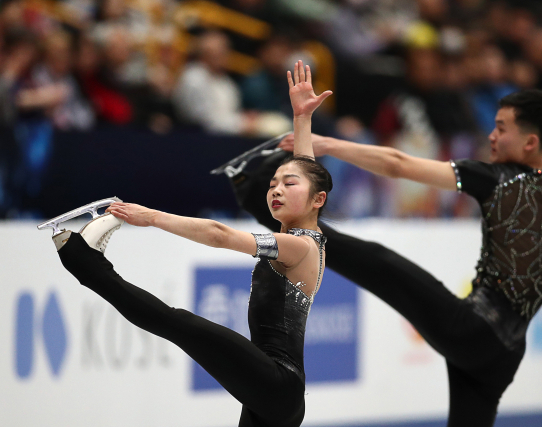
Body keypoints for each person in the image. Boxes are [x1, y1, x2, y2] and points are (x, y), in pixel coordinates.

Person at [228, 13, 542, 427]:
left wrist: (329, 143)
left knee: (377, 262)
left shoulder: (493, 178)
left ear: (530, 141)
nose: (490, 136)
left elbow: (397, 164)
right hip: (505, 355)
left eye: (501, 129)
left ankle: (268, 204)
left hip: (471, 329)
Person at [38, 60, 333, 427]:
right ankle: (86, 264)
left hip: (276, 383)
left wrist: (152, 217)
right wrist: (301, 119)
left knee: (176, 323)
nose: (275, 190)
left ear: (317, 200)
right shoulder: (304, 235)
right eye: (273, 183)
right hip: (274, 392)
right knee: (176, 324)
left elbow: (220, 234)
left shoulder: (299, 247)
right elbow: (306, 171)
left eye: (288, 185)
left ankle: (86, 264)